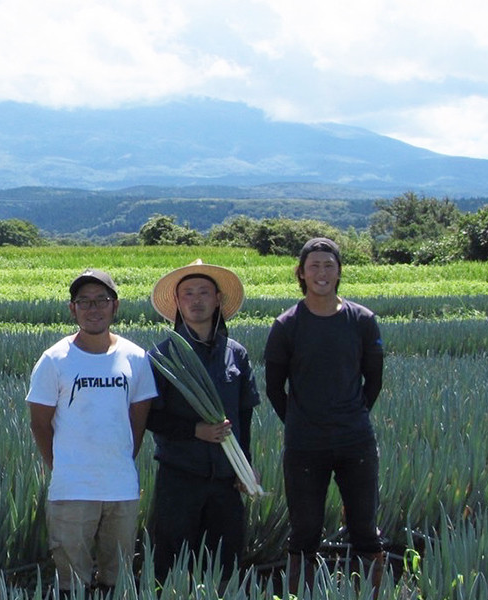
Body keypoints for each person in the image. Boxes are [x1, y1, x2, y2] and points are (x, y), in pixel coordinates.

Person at [263, 238, 386, 595]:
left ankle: (370, 591)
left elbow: (373, 380)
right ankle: (302, 590)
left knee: (364, 526)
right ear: (301, 273)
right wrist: (302, 422)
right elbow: (275, 388)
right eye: (314, 266)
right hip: (305, 445)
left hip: (356, 442)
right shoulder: (286, 325)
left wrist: (351, 415)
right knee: (305, 530)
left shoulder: (362, 321)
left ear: (339, 272)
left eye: (328, 265)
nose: (321, 272)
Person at [26, 268, 157, 594]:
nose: (93, 308)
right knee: (72, 582)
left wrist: (120, 458)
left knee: (118, 577)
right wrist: (64, 466)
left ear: (115, 306)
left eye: (101, 300)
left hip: (121, 488)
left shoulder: (135, 357)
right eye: (84, 302)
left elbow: (138, 419)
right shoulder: (53, 360)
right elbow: (40, 423)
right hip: (72, 490)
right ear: (73, 309)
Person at [145, 260, 260, 586]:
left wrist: (245, 466)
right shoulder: (163, 357)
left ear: (218, 300)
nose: (197, 300)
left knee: (225, 564)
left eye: (204, 293)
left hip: (225, 479)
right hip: (180, 475)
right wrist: (194, 431)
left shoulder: (236, 354)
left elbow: (244, 415)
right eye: (188, 294)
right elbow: (150, 416)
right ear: (178, 303)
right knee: (171, 565)